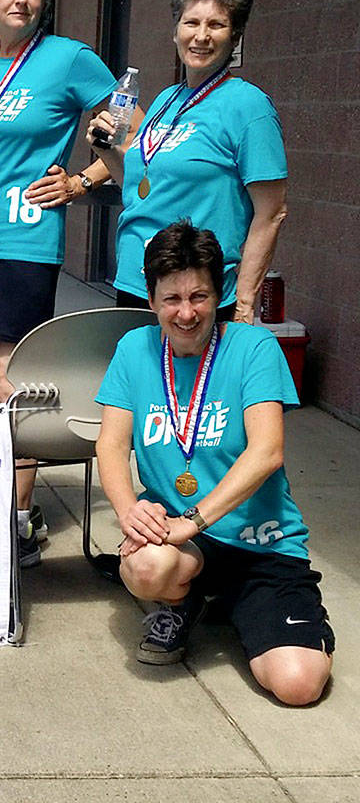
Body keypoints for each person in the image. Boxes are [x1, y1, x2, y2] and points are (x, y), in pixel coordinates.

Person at [95, 221, 332, 706]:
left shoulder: (253, 348)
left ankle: (253, 607)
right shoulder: (133, 350)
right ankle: (180, 605)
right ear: (151, 296)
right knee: (146, 565)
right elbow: (111, 446)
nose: (186, 313)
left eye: (199, 297)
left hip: (260, 542)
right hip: (184, 542)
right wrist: (128, 512)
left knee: (298, 685)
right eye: (172, 299)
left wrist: (194, 519)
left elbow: (266, 451)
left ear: (218, 293)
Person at [0, 0, 119, 567]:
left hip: (24, 239)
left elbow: (131, 127)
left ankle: (18, 518)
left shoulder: (70, 59)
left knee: (9, 380)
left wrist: (81, 181)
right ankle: (12, 507)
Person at [86, 0, 287, 323]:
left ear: (235, 35)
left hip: (193, 299)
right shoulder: (166, 100)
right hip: (138, 284)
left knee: (189, 383)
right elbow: (138, 184)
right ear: (175, 30)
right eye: (191, 22)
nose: (201, 36)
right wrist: (106, 150)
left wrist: (243, 304)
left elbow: (271, 213)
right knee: (143, 380)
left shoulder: (248, 106)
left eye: (216, 25)